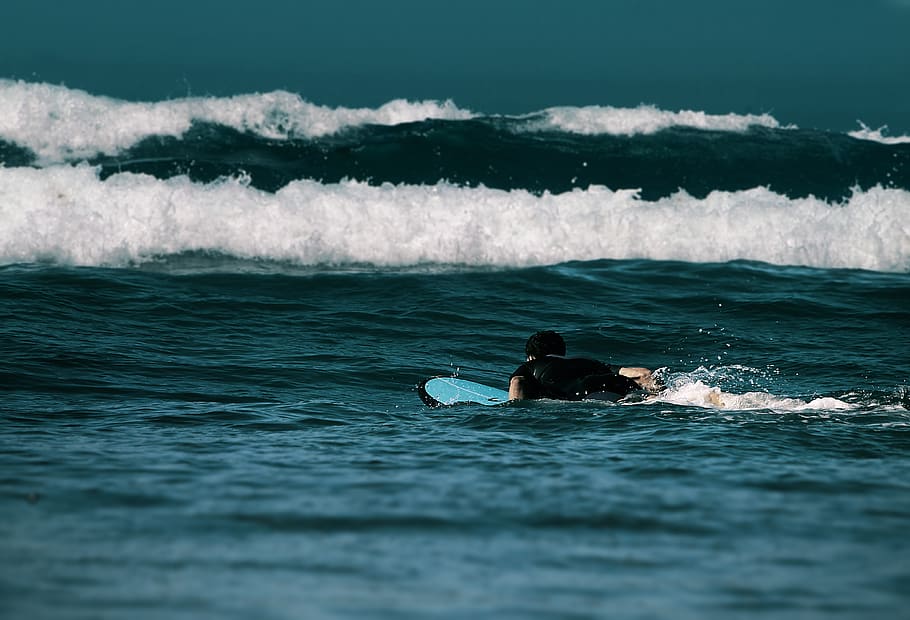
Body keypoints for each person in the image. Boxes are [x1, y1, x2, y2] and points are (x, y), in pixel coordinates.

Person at [508, 330, 656, 401]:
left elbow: (518, 382)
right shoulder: (587, 361)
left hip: (581, 393)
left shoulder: (532, 365)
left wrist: (515, 410)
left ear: (531, 356)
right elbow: (642, 374)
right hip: (613, 383)